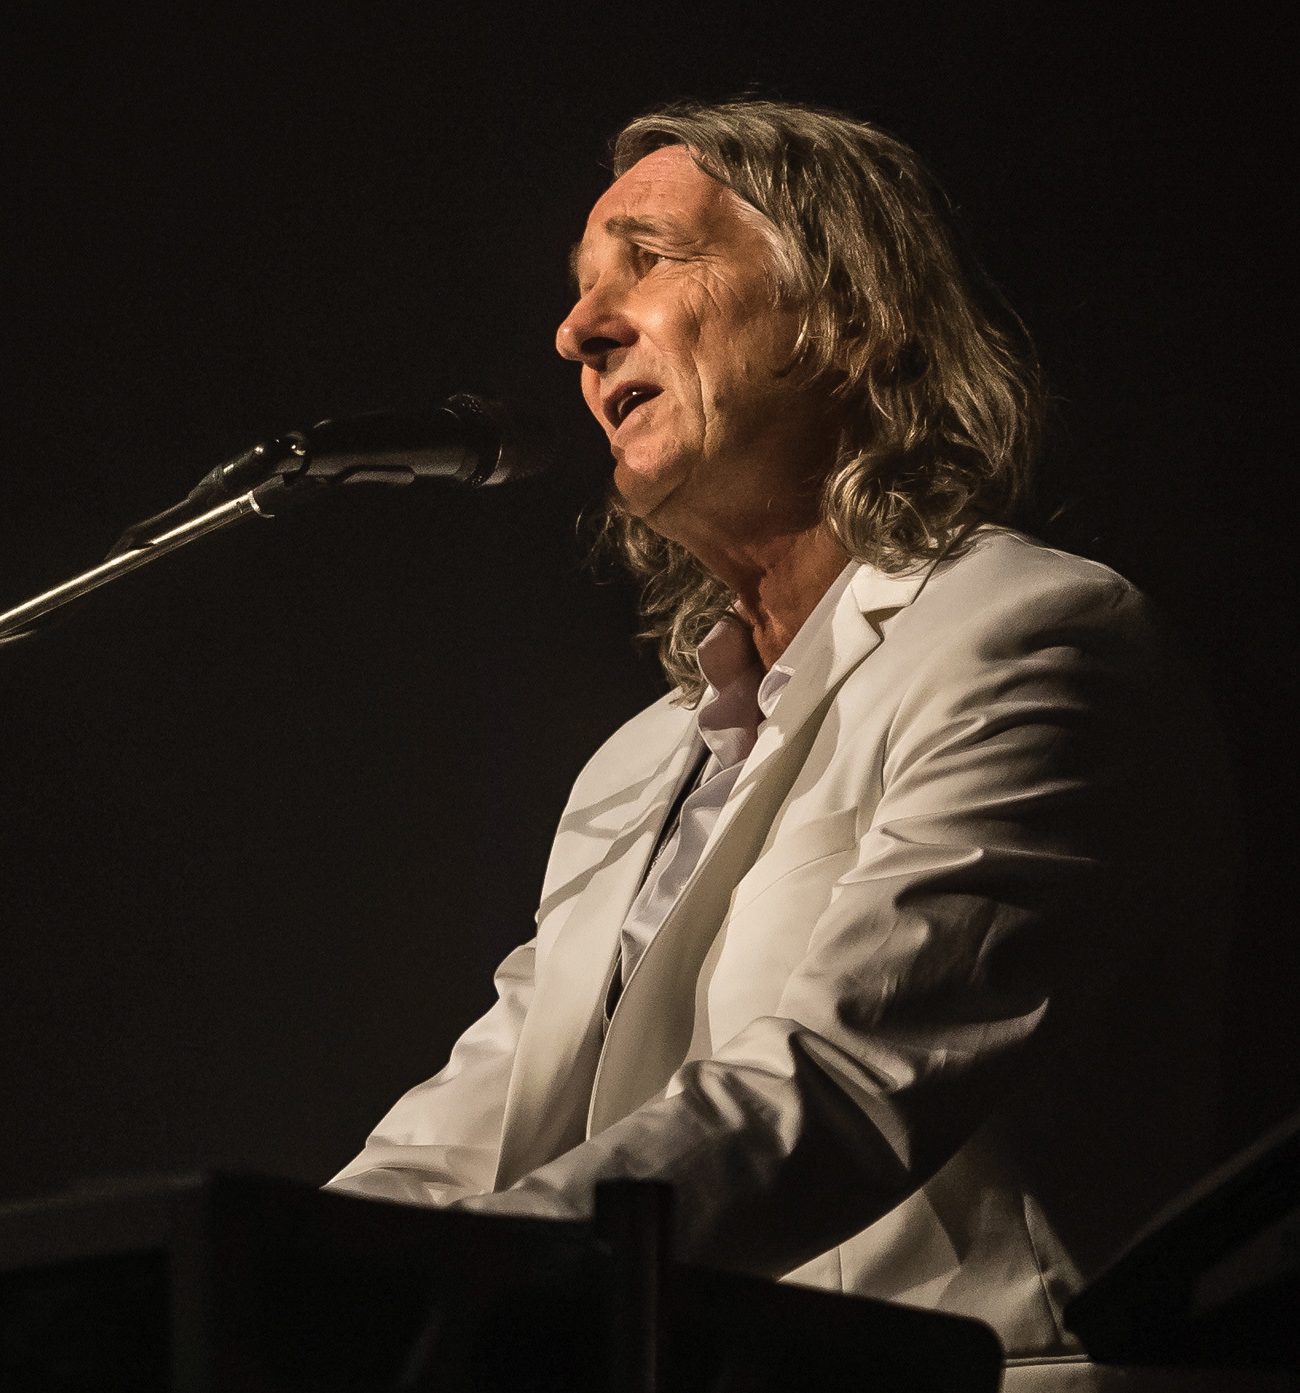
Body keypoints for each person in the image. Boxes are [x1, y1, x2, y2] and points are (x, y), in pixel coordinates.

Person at [327, 100, 1242, 1391]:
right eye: (582, 292)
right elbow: (487, 1106)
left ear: (850, 315)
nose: (576, 333)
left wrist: (461, 1287)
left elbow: (841, 1081)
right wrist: (282, 1269)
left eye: (647, 259)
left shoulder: (1036, 636)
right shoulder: (640, 762)